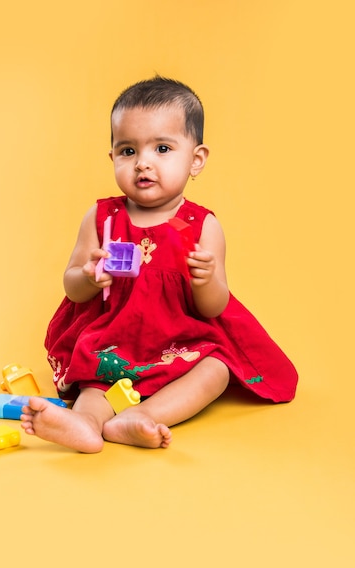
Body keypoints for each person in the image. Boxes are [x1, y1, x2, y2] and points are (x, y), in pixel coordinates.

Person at [20, 76, 298, 453]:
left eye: (162, 148)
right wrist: (88, 276)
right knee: (97, 380)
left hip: (180, 343)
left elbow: (216, 306)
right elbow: (71, 285)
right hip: (114, 340)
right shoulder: (104, 217)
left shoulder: (201, 226)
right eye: (128, 151)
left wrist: (206, 280)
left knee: (215, 370)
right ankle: (85, 423)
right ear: (113, 157)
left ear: (195, 160)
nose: (143, 164)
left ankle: (144, 416)